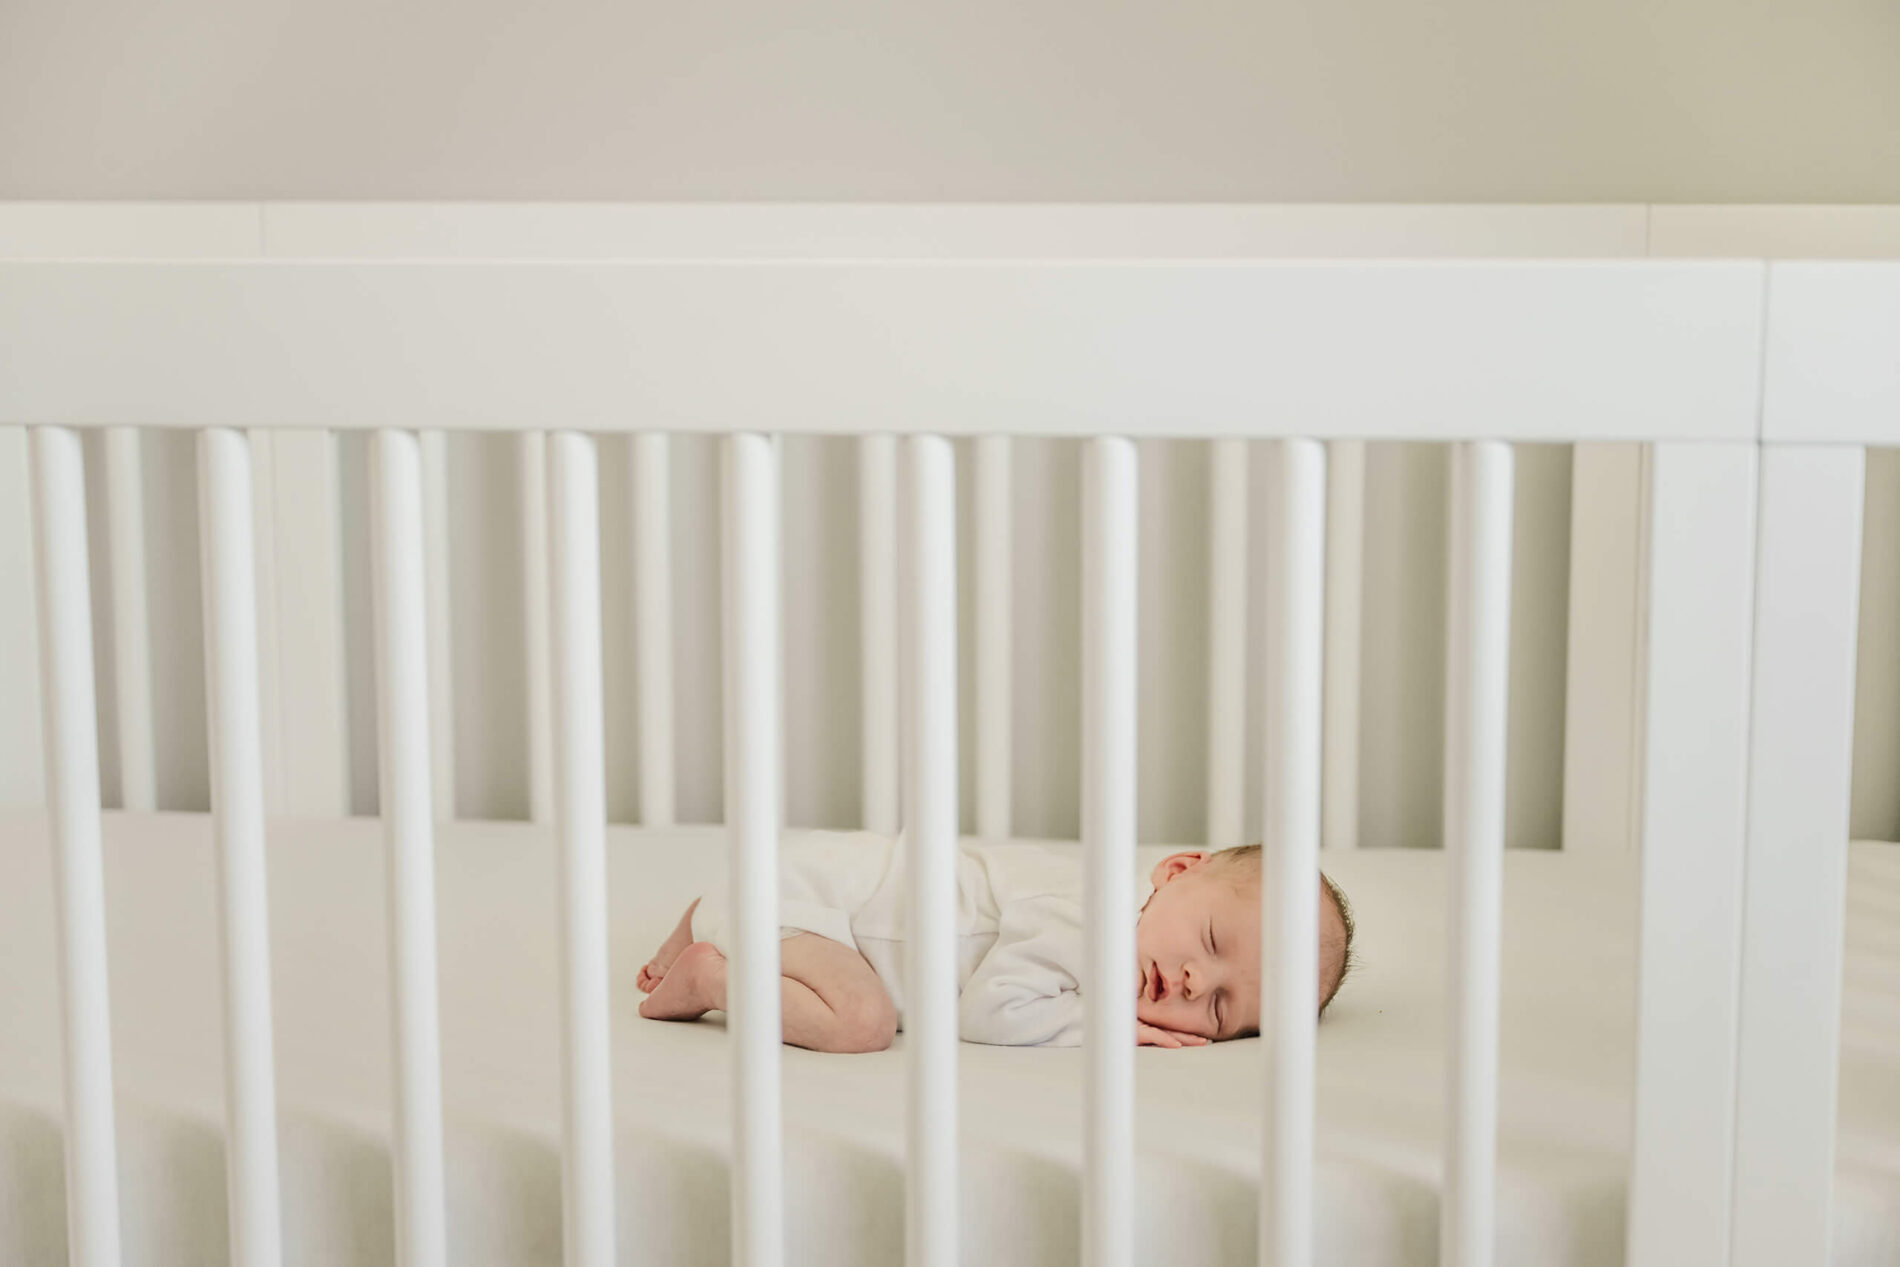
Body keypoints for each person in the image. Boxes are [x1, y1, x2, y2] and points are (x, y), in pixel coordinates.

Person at [636, 833, 1354, 1053]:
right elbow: (989, 1011)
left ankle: (705, 918)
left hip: (791, 884)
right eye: (1211, 940)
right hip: (809, 900)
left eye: (1224, 1008)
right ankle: (708, 976)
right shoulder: (1093, 920)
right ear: (1173, 872)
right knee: (863, 1020)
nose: (1198, 980)